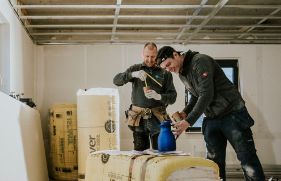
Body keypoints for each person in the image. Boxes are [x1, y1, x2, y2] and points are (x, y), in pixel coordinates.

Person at [156, 46, 265, 181]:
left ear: (176, 55)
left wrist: (188, 121)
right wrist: (185, 113)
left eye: (169, 65)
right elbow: (195, 96)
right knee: (214, 164)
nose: (169, 69)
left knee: (247, 159)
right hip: (212, 118)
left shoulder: (200, 61)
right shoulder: (182, 73)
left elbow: (206, 94)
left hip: (232, 114)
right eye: (165, 68)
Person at [113, 42, 177, 151]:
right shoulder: (136, 69)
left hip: (158, 120)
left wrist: (159, 96)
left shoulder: (165, 73)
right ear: (142, 55)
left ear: (157, 55)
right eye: (147, 56)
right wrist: (132, 75)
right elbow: (116, 80)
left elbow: (173, 97)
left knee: (160, 153)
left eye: (153, 56)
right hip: (138, 119)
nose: (150, 59)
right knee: (140, 154)